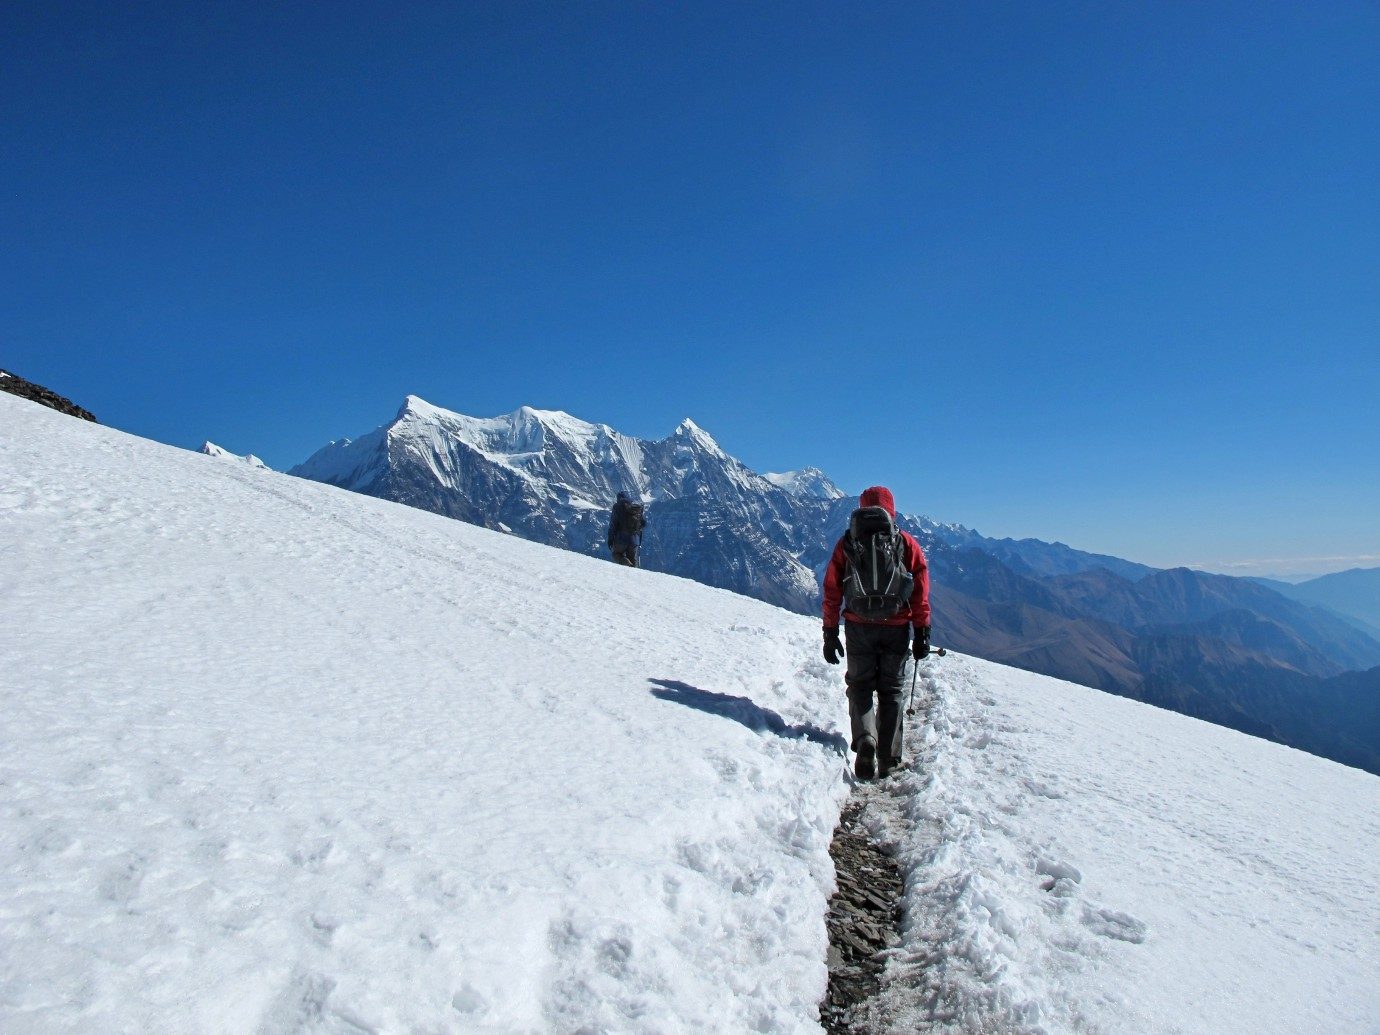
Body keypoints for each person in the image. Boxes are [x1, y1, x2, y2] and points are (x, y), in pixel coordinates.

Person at [821, 486, 931, 780]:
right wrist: (922, 630)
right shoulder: (905, 543)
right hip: (896, 626)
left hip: (858, 626)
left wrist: (829, 631)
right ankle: (889, 758)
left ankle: (866, 739)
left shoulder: (847, 543)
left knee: (860, 686)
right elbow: (919, 590)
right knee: (892, 691)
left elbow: (832, 589)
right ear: (891, 510)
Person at [607, 491, 646, 567]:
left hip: (621, 539)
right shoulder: (636, 508)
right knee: (633, 560)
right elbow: (643, 523)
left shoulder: (617, 507)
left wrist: (610, 539)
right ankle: (635, 574)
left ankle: (626, 562)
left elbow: (613, 525)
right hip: (635, 540)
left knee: (616, 554)